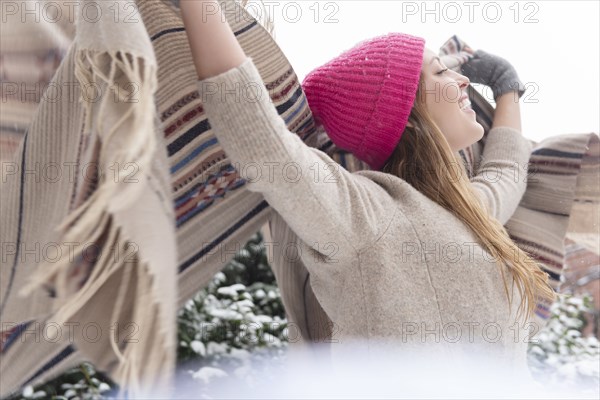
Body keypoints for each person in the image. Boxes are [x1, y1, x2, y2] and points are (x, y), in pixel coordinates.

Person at [178, 0, 555, 376]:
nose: (463, 81)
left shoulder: (467, 210)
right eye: (441, 73)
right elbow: (261, 139)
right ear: (405, 116)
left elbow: (506, 171)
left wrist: (508, 86)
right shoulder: (364, 214)